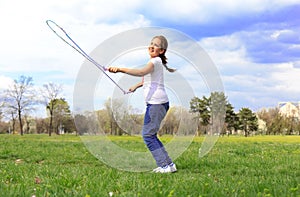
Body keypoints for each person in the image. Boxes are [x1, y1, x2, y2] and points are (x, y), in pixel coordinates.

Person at [108, 35, 177, 173]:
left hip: (156, 104)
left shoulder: (155, 61)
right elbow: (147, 79)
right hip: (158, 104)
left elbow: (141, 72)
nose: (151, 46)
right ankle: (169, 165)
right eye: (151, 43)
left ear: (161, 50)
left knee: (148, 136)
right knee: (151, 135)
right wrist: (136, 86)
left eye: (156, 45)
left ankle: (164, 166)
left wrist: (120, 69)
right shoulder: (155, 61)